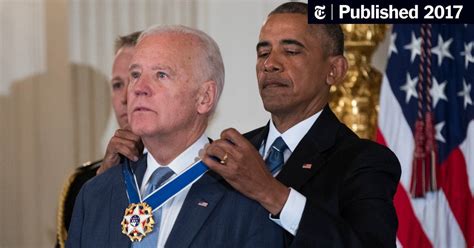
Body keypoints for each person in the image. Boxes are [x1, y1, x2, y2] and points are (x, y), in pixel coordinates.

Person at [202, 2, 401, 247]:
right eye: (263, 53)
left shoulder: (364, 161)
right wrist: (142, 147)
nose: (270, 64)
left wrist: (271, 192)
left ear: (334, 70)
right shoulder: (233, 153)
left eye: (291, 51)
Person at [66, 25, 284, 247]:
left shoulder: (245, 194)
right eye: (135, 75)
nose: (138, 88)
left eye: (161, 75)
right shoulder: (95, 194)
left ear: (204, 97)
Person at [56, 31, 143, 247]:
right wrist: (103, 180)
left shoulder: (211, 173)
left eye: (134, 78)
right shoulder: (84, 183)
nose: (124, 98)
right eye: (117, 85)